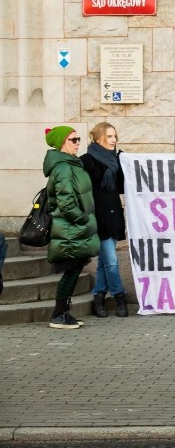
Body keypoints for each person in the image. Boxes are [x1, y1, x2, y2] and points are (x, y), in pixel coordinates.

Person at [43, 125, 100, 329]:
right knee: (71, 270)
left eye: (78, 140)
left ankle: (63, 313)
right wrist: (82, 219)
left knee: (74, 270)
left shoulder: (71, 165)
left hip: (74, 229)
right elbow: (66, 202)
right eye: (73, 140)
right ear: (61, 144)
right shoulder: (64, 168)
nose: (77, 144)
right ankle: (58, 315)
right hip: (70, 229)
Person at [80, 122, 129, 318]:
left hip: (113, 214)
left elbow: (120, 187)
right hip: (98, 217)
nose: (114, 140)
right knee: (111, 262)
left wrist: (125, 164)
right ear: (99, 138)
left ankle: (98, 296)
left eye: (115, 136)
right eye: (109, 136)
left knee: (103, 263)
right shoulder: (87, 160)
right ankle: (119, 297)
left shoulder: (115, 159)